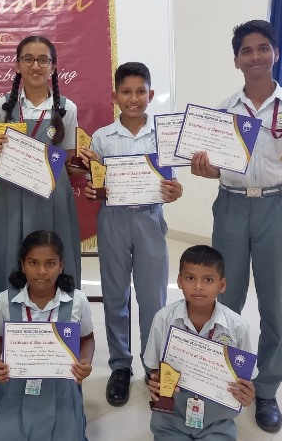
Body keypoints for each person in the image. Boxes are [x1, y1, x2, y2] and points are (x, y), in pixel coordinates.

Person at [190, 20, 282, 433]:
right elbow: (215, 165)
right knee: (227, 299)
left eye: (263, 48)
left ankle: (267, 389)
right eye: (246, 50)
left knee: (274, 303)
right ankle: (224, 379)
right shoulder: (221, 112)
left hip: (279, 206)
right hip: (232, 207)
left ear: (275, 53)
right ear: (236, 60)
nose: (255, 56)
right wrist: (204, 169)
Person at [82, 62, 183, 407]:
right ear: (115, 96)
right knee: (114, 296)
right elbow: (95, 183)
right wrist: (95, 189)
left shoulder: (163, 135)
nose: (134, 98)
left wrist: (175, 190)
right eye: (126, 91)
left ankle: (153, 366)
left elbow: (171, 182)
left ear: (150, 95)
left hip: (149, 220)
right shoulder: (102, 138)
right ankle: (120, 366)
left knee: (153, 299)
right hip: (112, 220)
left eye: (141, 91)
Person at [0, 36, 82, 311]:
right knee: (13, 250)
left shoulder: (67, 108)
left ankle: (60, 319)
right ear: (17, 65)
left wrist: (86, 163)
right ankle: (11, 321)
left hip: (53, 194)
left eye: (43, 60)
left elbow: (69, 163)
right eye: (28, 59)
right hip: (13, 192)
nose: (35, 66)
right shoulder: (3, 105)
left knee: (52, 252)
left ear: (53, 66)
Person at [0, 230, 94, 441]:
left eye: (50, 264)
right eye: (33, 263)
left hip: (60, 385)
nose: (41, 271)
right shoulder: (5, 300)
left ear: (61, 265)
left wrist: (85, 362)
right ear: (22, 264)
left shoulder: (77, 301)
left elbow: (87, 338)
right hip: (13, 380)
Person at [144, 245, 256, 440]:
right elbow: (155, 369)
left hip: (217, 422)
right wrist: (155, 383)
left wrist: (248, 394)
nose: (198, 286)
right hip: (171, 419)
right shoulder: (163, 319)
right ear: (179, 281)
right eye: (190, 278)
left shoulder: (237, 327)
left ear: (222, 285)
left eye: (208, 280)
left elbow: (245, 380)